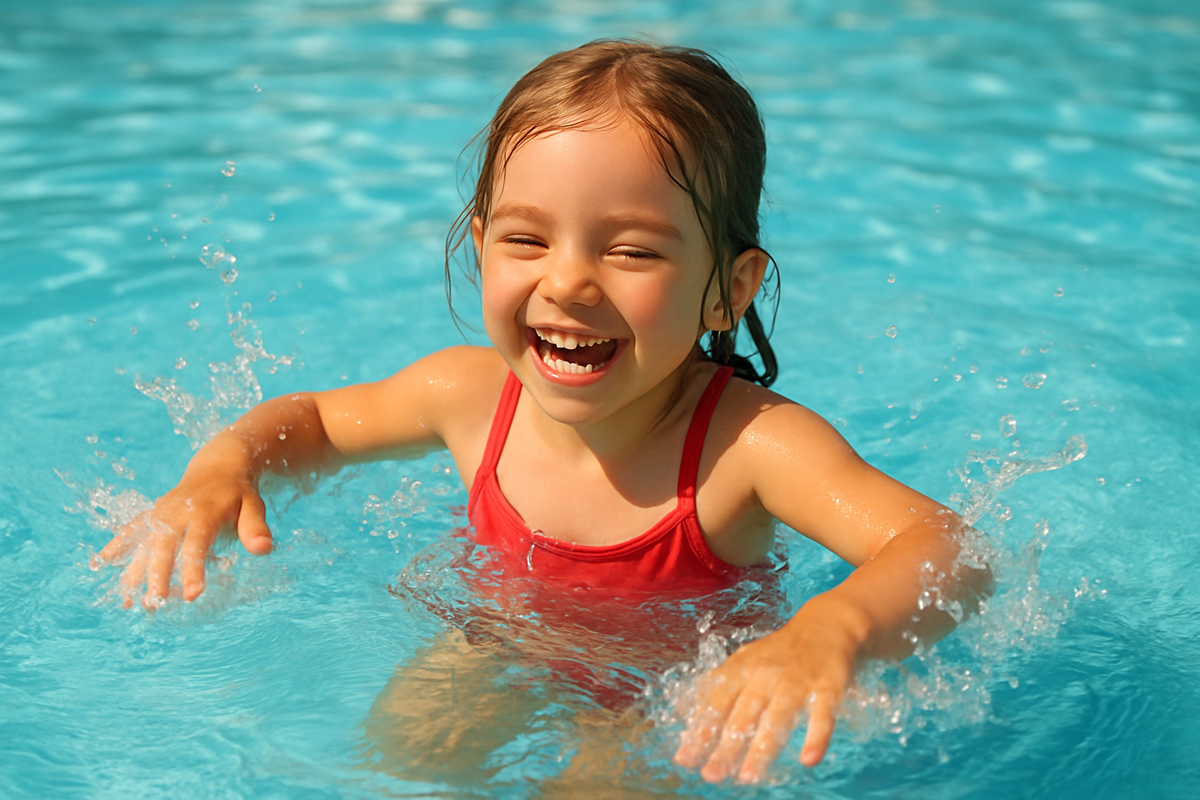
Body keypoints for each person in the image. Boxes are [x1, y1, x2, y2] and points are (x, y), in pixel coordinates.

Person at [96, 40, 987, 785]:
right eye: (526, 239)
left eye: (632, 249)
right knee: (397, 764)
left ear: (729, 289)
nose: (566, 281)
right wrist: (223, 467)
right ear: (481, 245)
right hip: (495, 640)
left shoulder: (749, 447)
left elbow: (946, 547)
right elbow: (320, 423)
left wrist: (829, 633)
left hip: (666, 696)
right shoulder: (472, 397)